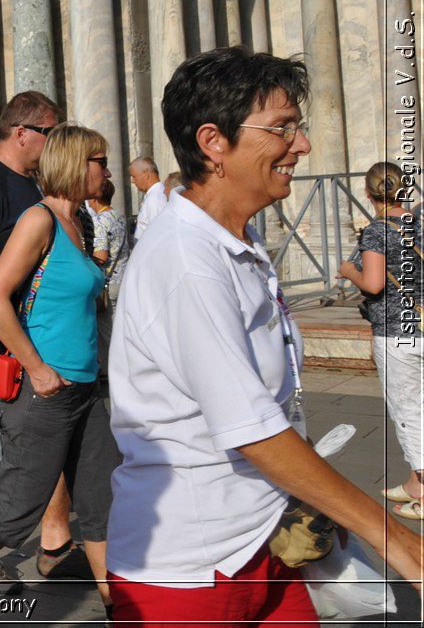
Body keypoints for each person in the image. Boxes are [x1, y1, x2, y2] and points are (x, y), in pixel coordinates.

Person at [107, 48, 424, 623]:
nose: (301, 145)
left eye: (297, 127)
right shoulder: (186, 260)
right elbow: (253, 430)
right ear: (214, 143)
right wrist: (400, 544)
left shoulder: (237, 242)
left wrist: (315, 501)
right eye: (282, 129)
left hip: (264, 540)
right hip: (194, 568)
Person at [0, 126, 118, 620]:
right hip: (46, 393)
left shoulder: (78, 223)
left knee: (100, 500)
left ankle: (121, 604)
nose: (107, 171)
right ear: (78, 162)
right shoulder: (39, 220)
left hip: (87, 389)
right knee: (15, 509)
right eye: (100, 160)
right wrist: (35, 367)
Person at [0, 91, 84, 593]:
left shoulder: (31, 185)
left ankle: (54, 543)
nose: (54, 143)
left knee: (48, 442)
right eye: (51, 132)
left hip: (33, 341)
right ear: (23, 131)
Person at [339, 161, 423, 519]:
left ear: (369, 194)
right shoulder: (419, 221)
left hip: (395, 332)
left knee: (408, 410)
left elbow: (373, 284)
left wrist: (348, 270)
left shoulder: (375, 231)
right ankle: (415, 482)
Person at [87, 180, 128, 305]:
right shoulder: (118, 215)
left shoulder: (99, 221)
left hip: (110, 282)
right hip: (124, 277)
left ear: (95, 199)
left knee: (107, 323)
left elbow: (101, 257)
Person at [127, 156, 165, 246]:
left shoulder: (155, 198)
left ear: (146, 175)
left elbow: (158, 232)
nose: (132, 181)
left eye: (134, 176)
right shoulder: (155, 195)